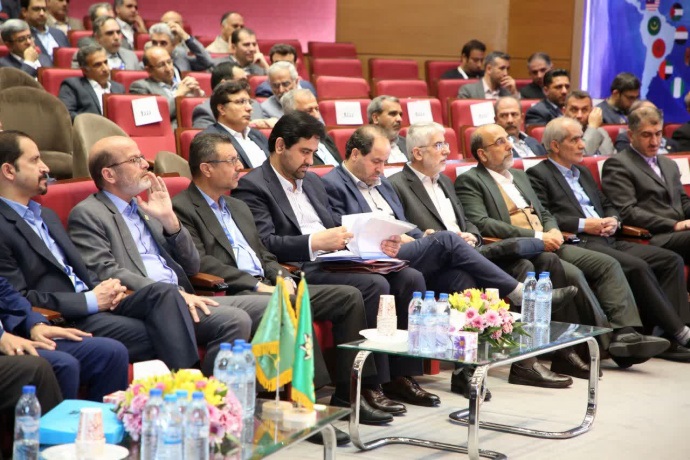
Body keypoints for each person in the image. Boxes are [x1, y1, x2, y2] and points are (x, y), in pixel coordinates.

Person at [329, 123, 576, 391]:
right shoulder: (343, 184)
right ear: (355, 154)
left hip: (421, 252)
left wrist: (434, 236)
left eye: (384, 162)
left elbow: (412, 224)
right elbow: (342, 231)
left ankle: (464, 370)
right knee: (447, 239)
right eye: (376, 161)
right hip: (376, 255)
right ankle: (517, 292)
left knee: (463, 277)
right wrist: (417, 238)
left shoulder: (392, 183)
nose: (381, 168)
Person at [233, 112, 440, 425]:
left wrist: (372, 242)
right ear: (280, 146)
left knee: (408, 276)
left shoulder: (313, 181)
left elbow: (337, 227)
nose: (310, 160)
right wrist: (314, 242)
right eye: (304, 152)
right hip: (301, 267)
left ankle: (400, 375)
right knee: (374, 285)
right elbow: (264, 243)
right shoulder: (254, 186)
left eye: (314, 152)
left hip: (336, 259)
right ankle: (362, 386)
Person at [172, 133, 373, 445]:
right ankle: (306, 407)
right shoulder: (183, 208)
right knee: (287, 304)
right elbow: (200, 263)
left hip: (268, 284)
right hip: (233, 292)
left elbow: (263, 253)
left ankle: (349, 396)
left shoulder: (237, 206)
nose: (239, 166)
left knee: (348, 297)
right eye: (231, 161)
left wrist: (279, 276)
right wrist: (255, 285)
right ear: (206, 168)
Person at [455, 123, 670, 368]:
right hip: (522, 249)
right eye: (500, 142)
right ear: (482, 154)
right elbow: (483, 223)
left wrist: (553, 229)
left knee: (607, 264)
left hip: (552, 241)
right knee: (574, 275)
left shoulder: (520, 176)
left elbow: (544, 212)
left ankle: (625, 331)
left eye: (508, 139)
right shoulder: (471, 180)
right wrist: (538, 236)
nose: (509, 146)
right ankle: (606, 344)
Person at [67, 136, 271, 376]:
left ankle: (263, 390)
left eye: (142, 157)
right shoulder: (88, 213)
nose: (145, 164)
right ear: (109, 175)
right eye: (135, 160)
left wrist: (170, 221)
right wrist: (170, 294)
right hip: (146, 303)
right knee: (234, 319)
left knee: (272, 305)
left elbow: (192, 265)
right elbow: (105, 271)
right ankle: (209, 394)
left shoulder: (146, 208)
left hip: (183, 295)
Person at [0, 130, 200, 372]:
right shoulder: (4, 226)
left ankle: (186, 383)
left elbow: (80, 269)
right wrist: (90, 300)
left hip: (100, 299)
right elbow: (17, 296)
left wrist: (107, 290)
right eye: (35, 160)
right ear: (9, 171)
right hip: (65, 313)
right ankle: (189, 382)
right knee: (163, 330)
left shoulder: (46, 215)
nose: (46, 167)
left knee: (163, 294)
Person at [528, 117, 690, 361]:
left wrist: (613, 219)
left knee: (669, 260)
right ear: (555, 145)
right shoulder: (538, 174)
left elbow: (607, 204)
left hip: (608, 237)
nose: (583, 145)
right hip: (581, 241)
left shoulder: (582, 171)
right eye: (575, 140)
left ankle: (668, 334)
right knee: (636, 266)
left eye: (582, 138)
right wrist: (585, 224)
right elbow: (545, 215)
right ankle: (680, 332)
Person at [602, 106, 690, 291]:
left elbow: (683, 201)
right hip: (652, 236)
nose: (654, 141)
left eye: (658, 134)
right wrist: (674, 225)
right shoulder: (618, 165)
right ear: (631, 135)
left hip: (680, 234)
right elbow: (628, 212)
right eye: (646, 135)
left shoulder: (669, 163)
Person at [0, 276, 129, 400]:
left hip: (14, 335)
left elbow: (6, 294)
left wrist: (35, 324)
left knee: (111, 352)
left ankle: (99, 416)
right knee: (64, 364)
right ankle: (58, 417)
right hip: (5, 343)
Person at [200, 80, 270, 168]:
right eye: (241, 102)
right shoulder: (210, 139)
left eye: (250, 102)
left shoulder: (257, 135)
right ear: (222, 109)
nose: (249, 108)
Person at [130, 47, 205, 128]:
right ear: (149, 70)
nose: (168, 69)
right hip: (170, 131)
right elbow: (149, 118)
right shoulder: (140, 87)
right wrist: (178, 95)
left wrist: (199, 97)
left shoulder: (183, 84)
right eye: (161, 65)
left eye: (169, 62)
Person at [191, 62, 275, 130]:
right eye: (242, 81)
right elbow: (206, 140)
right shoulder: (205, 110)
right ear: (223, 84)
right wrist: (253, 124)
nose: (246, 85)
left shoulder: (255, 104)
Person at [58, 44, 125, 120]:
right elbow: (66, 114)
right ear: (85, 70)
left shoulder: (118, 88)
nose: (105, 69)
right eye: (98, 65)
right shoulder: (72, 86)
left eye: (105, 62)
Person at [281, 88, 343, 165]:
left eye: (317, 109)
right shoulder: (290, 148)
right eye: (309, 111)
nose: (317, 116)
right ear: (292, 116)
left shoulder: (325, 138)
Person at [615, 100, 679, 153]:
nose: (654, 142)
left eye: (658, 134)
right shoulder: (625, 139)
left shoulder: (672, 144)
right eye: (647, 114)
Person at [563, 90, 614, 156]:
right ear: (564, 111)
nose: (579, 115)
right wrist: (592, 127)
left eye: (584, 110)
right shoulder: (558, 134)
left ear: (592, 111)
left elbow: (611, 158)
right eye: (574, 110)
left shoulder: (601, 132)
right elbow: (580, 157)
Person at [147, 22, 213, 73]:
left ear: (173, 45)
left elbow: (207, 62)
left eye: (163, 43)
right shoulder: (147, 62)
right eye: (154, 43)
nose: (158, 47)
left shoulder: (180, 56)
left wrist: (185, 36)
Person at [367, 96, 408, 163]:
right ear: (376, 118)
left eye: (400, 115)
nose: (399, 119)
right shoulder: (363, 147)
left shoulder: (406, 143)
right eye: (393, 114)